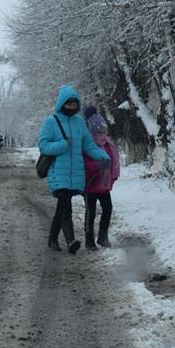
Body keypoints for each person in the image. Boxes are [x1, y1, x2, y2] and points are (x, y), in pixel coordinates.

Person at [39, 84, 109, 254]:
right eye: (68, 104)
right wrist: (63, 145)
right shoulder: (51, 122)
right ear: (61, 104)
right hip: (58, 172)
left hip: (75, 174)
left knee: (61, 207)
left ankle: (52, 238)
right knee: (65, 206)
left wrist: (102, 156)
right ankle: (70, 241)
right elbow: (43, 146)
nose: (71, 107)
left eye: (74, 104)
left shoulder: (79, 123)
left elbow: (88, 145)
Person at [82, 111, 119, 249]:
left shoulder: (108, 145)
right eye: (99, 132)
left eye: (104, 132)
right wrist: (98, 165)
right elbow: (85, 164)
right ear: (92, 132)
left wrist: (113, 174)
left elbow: (114, 161)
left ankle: (103, 237)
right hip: (90, 184)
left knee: (107, 209)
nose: (103, 135)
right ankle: (89, 240)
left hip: (103, 184)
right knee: (90, 212)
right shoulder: (87, 145)